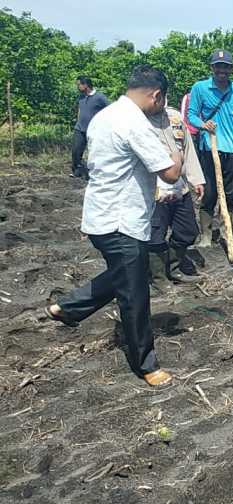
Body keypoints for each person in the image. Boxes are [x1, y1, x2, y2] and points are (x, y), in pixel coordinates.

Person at [44, 65, 183, 386]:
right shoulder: (135, 123)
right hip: (122, 221)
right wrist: (173, 137)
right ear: (157, 96)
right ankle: (146, 365)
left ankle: (66, 308)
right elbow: (171, 173)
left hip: (100, 217)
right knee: (134, 295)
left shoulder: (104, 116)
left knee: (123, 275)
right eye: (162, 102)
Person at [187, 49, 233, 247]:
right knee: (209, 194)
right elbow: (191, 115)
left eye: (226, 67)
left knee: (229, 194)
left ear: (231, 69)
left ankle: (227, 230)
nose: (222, 70)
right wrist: (203, 124)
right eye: (219, 66)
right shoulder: (200, 88)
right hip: (209, 148)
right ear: (212, 68)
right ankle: (206, 236)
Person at [147, 103, 206, 284]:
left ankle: (174, 267)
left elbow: (187, 149)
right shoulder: (136, 120)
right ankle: (158, 278)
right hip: (153, 188)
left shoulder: (175, 117)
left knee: (187, 230)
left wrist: (196, 178)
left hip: (179, 186)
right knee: (155, 236)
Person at [72, 76, 110, 180]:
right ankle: (77, 172)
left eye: (79, 84)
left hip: (94, 130)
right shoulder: (81, 97)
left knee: (94, 152)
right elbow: (80, 110)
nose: (77, 87)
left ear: (85, 85)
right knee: (76, 151)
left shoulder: (99, 97)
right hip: (79, 128)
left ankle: (93, 173)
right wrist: (78, 120)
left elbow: (110, 109)